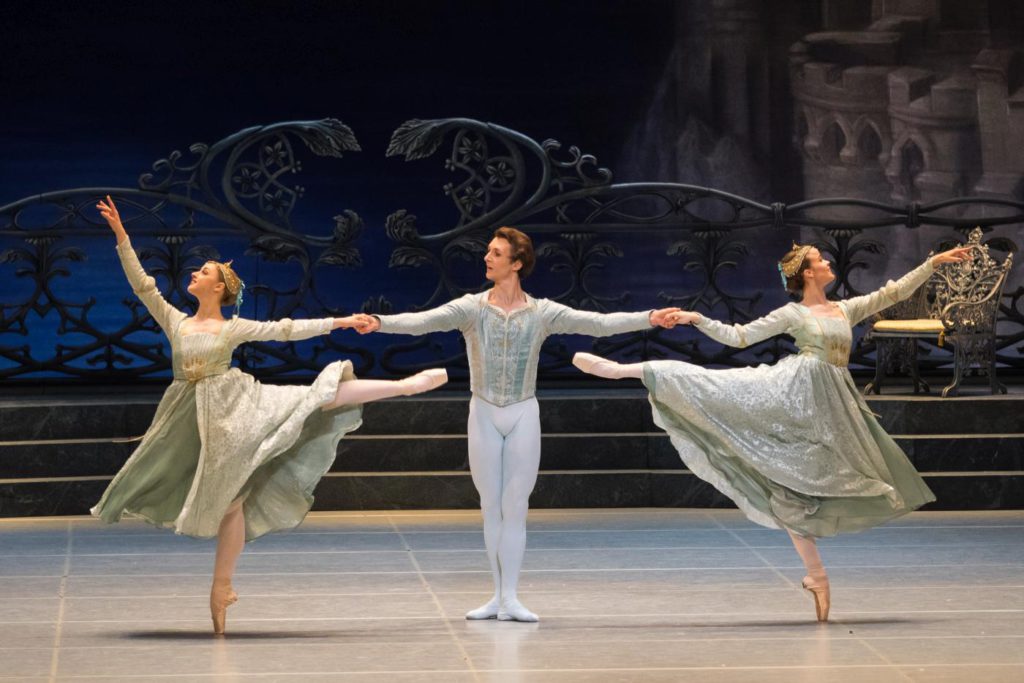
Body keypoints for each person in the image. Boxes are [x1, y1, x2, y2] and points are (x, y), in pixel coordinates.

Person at [90, 196, 447, 634]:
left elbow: (286, 330)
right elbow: (144, 286)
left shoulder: (231, 327)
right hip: (192, 418)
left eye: (203, 272)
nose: (194, 274)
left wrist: (339, 321)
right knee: (228, 502)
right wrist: (122, 236)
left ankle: (403, 386)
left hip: (235, 412)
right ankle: (222, 589)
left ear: (218, 287)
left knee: (311, 399)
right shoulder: (177, 322)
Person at [573, 242, 972, 622]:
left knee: (800, 486)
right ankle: (634, 370)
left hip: (829, 406)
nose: (828, 262)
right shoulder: (794, 314)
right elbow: (739, 337)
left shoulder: (844, 309)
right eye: (820, 259)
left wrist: (933, 264)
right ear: (808, 272)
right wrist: (697, 319)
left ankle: (815, 576)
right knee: (721, 392)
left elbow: (893, 293)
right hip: (794, 395)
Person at [354, 227, 680, 622]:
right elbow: (423, 321)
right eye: (488, 252)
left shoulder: (542, 312)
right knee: (490, 506)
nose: (486, 258)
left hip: (523, 412)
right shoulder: (471, 308)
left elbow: (598, 323)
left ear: (517, 263)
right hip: (484, 412)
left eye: (495, 253)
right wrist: (379, 322)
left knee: (516, 506)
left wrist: (649, 317)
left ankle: (511, 595)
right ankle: (496, 594)